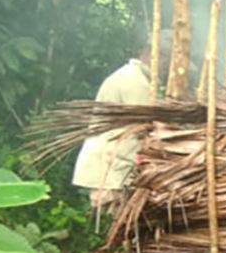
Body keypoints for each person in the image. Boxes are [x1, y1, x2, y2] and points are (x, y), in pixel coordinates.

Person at [72, 31, 173, 218]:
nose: (168, 69)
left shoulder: (131, 76)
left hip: (112, 165)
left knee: (120, 222)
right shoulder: (136, 83)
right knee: (122, 221)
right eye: (168, 61)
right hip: (113, 168)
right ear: (157, 56)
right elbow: (146, 126)